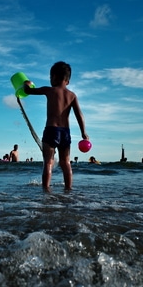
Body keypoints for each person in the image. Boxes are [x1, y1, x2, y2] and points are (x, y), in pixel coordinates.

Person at [23, 61, 88, 191]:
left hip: (51, 130)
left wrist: (26, 83)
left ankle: (46, 189)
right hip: (65, 132)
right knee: (66, 162)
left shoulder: (49, 90)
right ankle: (68, 189)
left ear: (54, 77)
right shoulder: (72, 95)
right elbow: (79, 115)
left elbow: (28, 91)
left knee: (48, 162)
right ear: (67, 81)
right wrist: (83, 133)